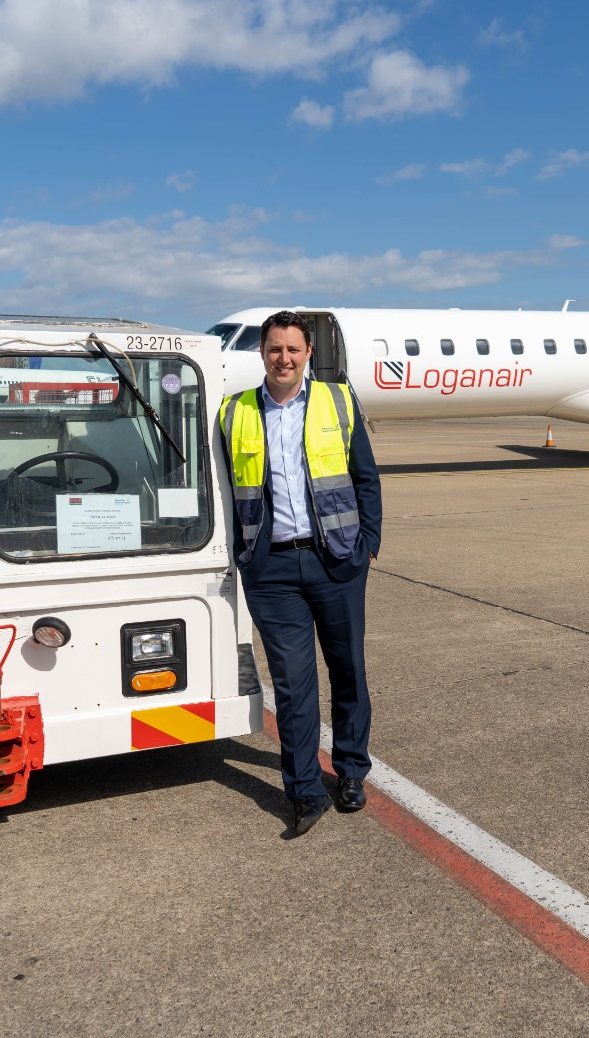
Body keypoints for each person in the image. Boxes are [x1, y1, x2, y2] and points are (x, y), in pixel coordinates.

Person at [219, 310, 383, 838]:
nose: (283, 358)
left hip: (336, 559)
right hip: (271, 568)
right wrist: (245, 556)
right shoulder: (234, 411)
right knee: (292, 685)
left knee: (347, 671)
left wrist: (368, 545)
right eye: (274, 349)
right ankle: (305, 790)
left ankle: (352, 771)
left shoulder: (338, 401)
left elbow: (365, 476)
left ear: (308, 353)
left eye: (293, 349)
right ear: (262, 354)